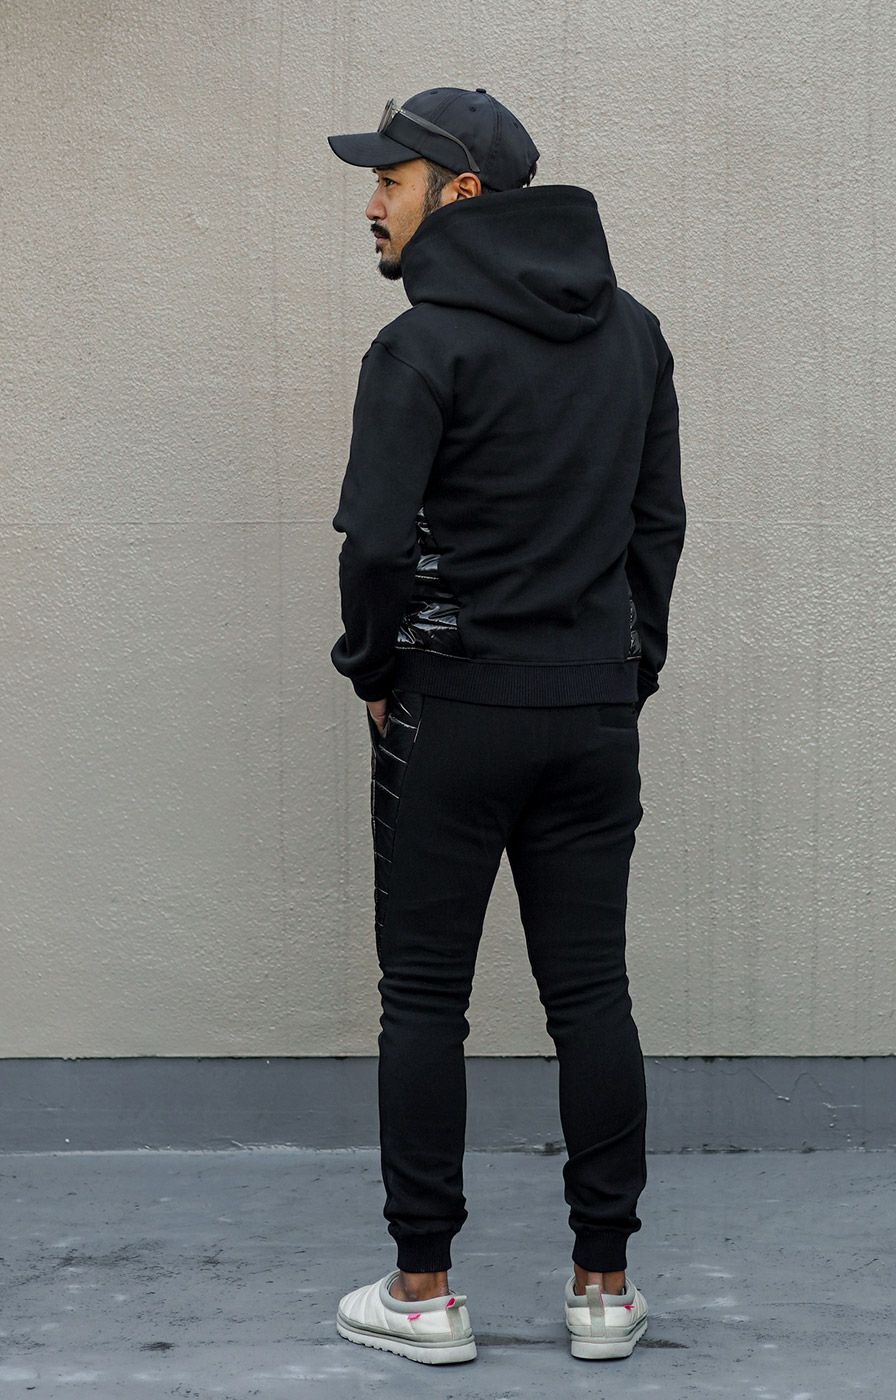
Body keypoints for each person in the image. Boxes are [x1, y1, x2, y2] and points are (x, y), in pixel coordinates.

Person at [327, 87, 686, 1365]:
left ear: (461, 192)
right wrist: (623, 671)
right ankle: (603, 1289)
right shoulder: (633, 333)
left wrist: (373, 667)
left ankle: (424, 1293)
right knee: (591, 991)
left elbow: (376, 544)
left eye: (392, 179)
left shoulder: (420, 347)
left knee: (426, 995)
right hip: (590, 708)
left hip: (455, 709)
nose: (372, 202)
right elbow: (657, 527)